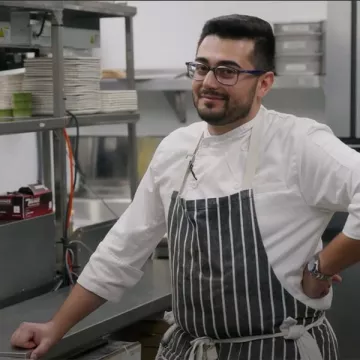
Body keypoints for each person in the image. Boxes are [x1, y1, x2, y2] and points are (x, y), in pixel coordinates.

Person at [10, 13, 360, 360]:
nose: (209, 81)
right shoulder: (177, 147)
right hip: (190, 348)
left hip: (275, 348)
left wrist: (322, 266)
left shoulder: (298, 142)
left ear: (264, 83)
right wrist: (56, 327)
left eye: (227, 71)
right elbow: (123, 248)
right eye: (202, 67)